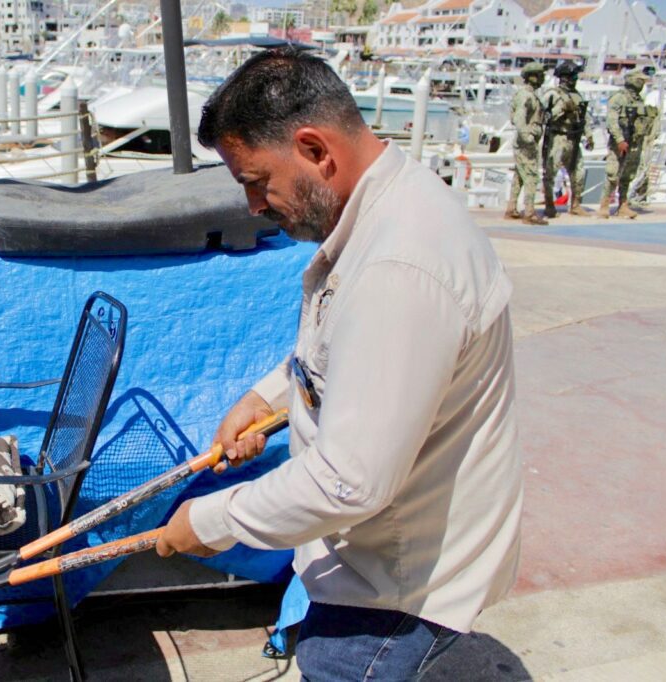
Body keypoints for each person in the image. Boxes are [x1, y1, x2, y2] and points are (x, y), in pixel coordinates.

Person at [156, 48, 522, 681]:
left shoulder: (399, 268)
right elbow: (344, 346)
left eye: (256, 181)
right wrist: (267, 397)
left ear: (314, 150)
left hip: (397, 591)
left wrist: (212, 522)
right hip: (377, 557)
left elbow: (348, 481)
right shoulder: (389, 204)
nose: (253, 206)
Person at [541, 61, 594, 217]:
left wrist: (589, 135)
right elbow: (543, 117)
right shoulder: (552, 94)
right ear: (565, 77)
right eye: (573, 77)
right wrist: (561, 109)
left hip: (574, 139)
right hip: (558, 137)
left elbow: (584, 118)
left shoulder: (577, 95)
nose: (575, 80)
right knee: (551, 174)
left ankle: (576, 205)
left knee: (579, 174)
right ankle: (549, 204)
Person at [599, 71, 651, 219]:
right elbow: (612, 121)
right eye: (640, 80)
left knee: (628, 175)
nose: (642, 84)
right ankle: (604, 205)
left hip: (634, 143)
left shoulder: (639, 100)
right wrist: (620, 140)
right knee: (612, 174)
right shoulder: (618, 98)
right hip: (620, 143)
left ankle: (623, 205)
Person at [505, 62, 548, 225]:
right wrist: (527, 137)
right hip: (526, 143)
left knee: (520, 176)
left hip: (527, 141)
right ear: (533, 77)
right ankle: (529, 212)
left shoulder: (530, 95)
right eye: (541, 75)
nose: (543, 78)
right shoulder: (526, 96)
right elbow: (519, 119)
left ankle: (511, 208)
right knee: (531, 176)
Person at [629, 104, 661, 208]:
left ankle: (639, 197)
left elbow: (654, 134)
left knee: (643, 171)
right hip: (641, 147)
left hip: (646, 146)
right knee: (638, 171)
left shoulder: (652, 122)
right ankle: (631, 196)